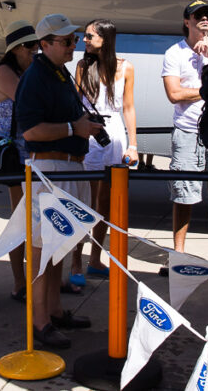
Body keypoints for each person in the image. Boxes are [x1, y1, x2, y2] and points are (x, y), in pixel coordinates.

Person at [15, 13, 103, 349]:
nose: (73, 45)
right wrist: (73, 128)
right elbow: (31, 130)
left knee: (55, 249)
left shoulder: (56, 72)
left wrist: (79, 125)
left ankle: (51, 312)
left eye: (73, 40)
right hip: (48, 169)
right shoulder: (38, 76)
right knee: (41, 252)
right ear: (45, 44)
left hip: (63, 167)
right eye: (66, 41)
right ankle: (40, 321)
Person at [161, 1, 208, 266]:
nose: (204, 19)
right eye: (198, 15)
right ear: (186, 21)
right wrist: (207, 91)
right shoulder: (175, 53)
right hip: (188, 131)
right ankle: (178, 256)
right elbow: (174, 94)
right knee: (183, 195)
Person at [69, 19, 137, 282]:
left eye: (89, 36)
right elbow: (76, 102)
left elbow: (129, 107)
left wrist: (133, 144)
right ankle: (76, 259)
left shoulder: (126, 67)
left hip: (115, 133)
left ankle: (95, 259)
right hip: (90, 131)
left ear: (105, 39)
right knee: (86, 199)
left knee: (106, 203)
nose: (84, 40)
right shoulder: (83, 66)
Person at [0, 19, 39, 302]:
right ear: (18, 49)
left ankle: (31, 279)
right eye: (32, 47)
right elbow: (28, 101)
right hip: (16, 154)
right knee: (19, 220)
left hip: (31, 151)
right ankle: (19, 282)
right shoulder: (5, 71)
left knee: (30, 219)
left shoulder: (24, 70)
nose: (36, 52)